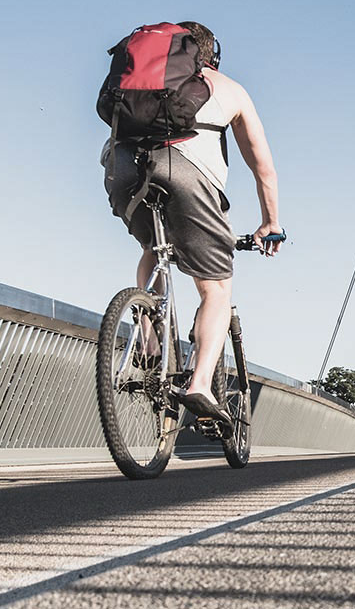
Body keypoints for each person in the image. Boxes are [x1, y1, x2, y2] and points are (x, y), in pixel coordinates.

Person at [102, 21, 282, 423]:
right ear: (212, 54)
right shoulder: (230, 89)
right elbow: (264, 169)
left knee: (153, 248)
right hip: (185, 174)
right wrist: (270, 222)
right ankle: (200, 383)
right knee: (216, 288)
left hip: (122, 167)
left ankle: (148, 339)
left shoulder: (145, 80)